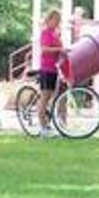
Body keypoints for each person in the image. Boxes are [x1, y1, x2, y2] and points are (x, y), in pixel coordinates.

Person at [38, 9, 66, 137]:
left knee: (58, 97)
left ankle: (60, 125)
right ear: (49, 20)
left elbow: (61, 49)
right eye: (55, 20)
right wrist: (59, 49)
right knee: (45, 97)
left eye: (58, 21)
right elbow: (44, 48)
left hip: (55, 69)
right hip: (46, 69)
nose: (56, 23)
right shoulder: (45, 33)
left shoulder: (56, 34)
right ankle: (42, 127)